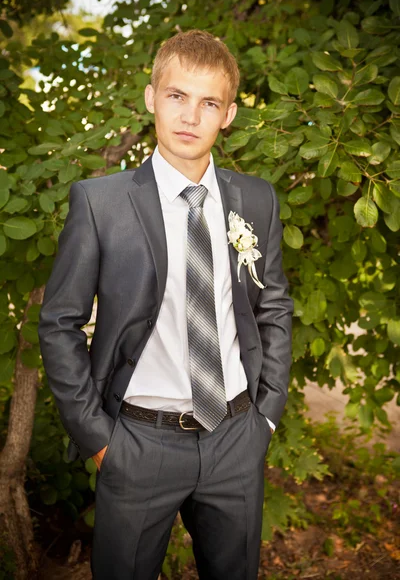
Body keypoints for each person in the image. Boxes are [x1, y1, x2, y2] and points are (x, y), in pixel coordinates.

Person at [38, 29, 294, 580]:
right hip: (137, 444)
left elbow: (273, 309)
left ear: (227, 116)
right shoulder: (100, 203)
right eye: (177, 96)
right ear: (152, 97)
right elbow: (59, 323)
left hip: (234, 437)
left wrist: (266, 419)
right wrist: (97, 437)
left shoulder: (256, 200)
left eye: (209, 103)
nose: (190, 116)